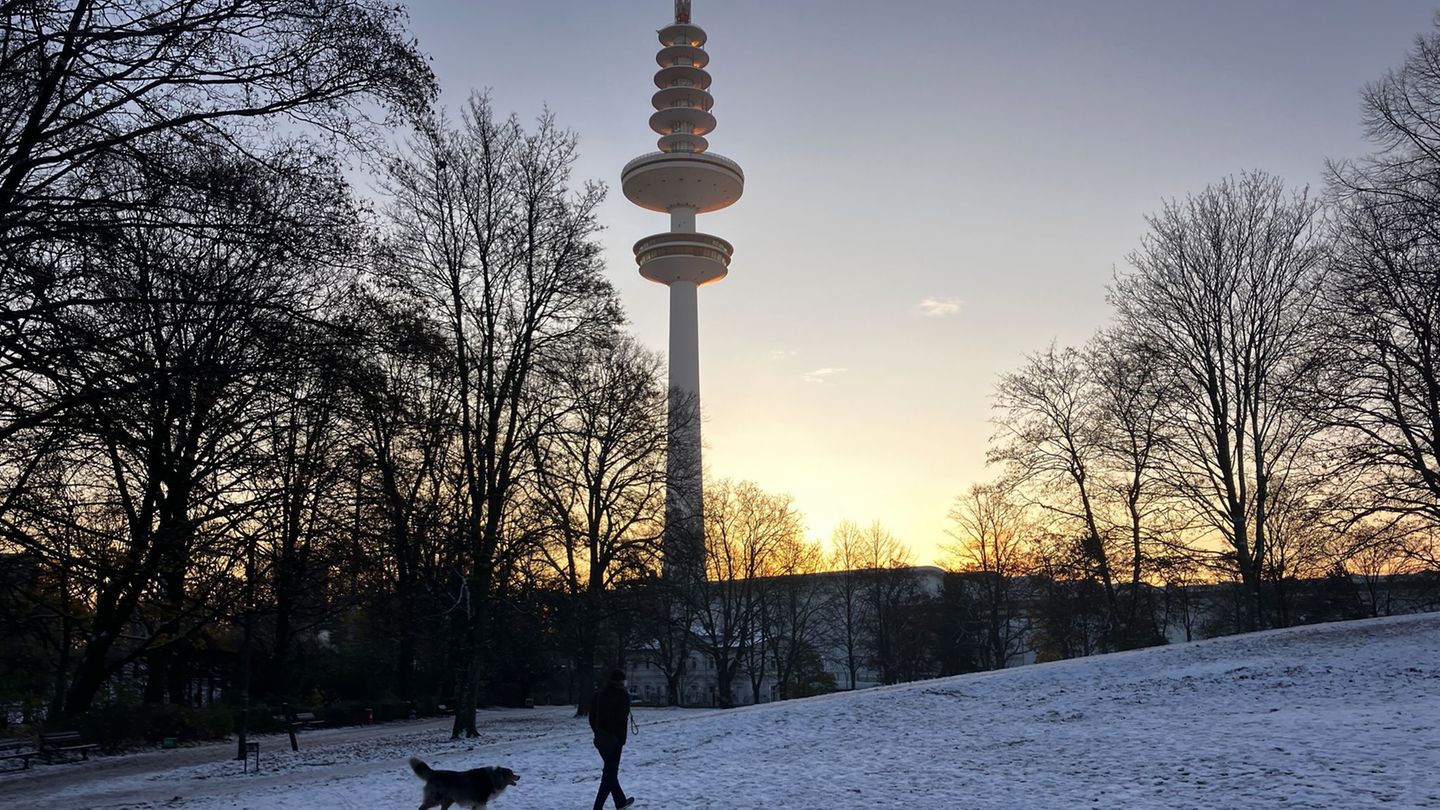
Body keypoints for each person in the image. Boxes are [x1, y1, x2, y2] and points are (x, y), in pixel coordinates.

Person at [589, 668, 636, 810]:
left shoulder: (598, 694)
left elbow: (592, 717)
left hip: (600, 738)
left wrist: (598, 732)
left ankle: (620, 801)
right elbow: (622, 719)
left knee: (610, 771)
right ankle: (597, 807)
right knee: (609, 774)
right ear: (621, 681)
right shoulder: (622, 695)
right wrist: (620, 738)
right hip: (615, 739)